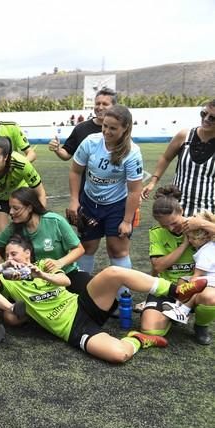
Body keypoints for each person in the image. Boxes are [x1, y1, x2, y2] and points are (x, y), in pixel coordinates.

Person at [0, 235, 208, 363]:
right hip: (71, 327)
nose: (11, 258)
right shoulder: (9, 280)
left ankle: (175, 291)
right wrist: (2, 266)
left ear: (27, 253)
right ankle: (139, 339)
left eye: (14, 254)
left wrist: (40, 273)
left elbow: (66, 283)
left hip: (81, 304)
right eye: (7, 255)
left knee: (113, 272)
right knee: (119, 355)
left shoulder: (43, 264)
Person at [68, 106, 143, 298]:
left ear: (125, 128)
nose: (106, 132)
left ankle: (122, 298)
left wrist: (127, 221)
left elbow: (135, 191)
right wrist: (74, 200)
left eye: (113, 128)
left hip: (117, 206)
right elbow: (75, 171)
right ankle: (82, 295)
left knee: (117, 250)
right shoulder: (91, 142)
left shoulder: (132, 152)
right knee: (87, 247)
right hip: (89, 203)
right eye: (105, 126)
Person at [139, 186, 214, 345]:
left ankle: (201, 326)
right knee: (150, 329)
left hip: (196, 288)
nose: (171, 228)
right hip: (168, 288)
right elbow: (158, 266)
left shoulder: (199, 225)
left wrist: (202, 223)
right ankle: (174, 313)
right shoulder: (156, 232)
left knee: (211, 297)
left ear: (181, 211)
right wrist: (185, 244)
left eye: (173, 222)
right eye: (165, 225)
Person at [0, 187, 87, 292]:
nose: (10, 212)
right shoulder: (14, 227)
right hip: (34, 279)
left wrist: (60, 262)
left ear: (30, 208)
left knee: (91, 290)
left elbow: (79, 249)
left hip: (65, 274)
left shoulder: (55, 221)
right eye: (10, 207)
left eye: (16, 208)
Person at [142, 99, 215, 216]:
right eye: (204, 114)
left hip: (207, 211)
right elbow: (166, 158)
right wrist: (153, 182)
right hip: (176, 206)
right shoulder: (184, 136)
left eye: (212, 118)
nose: (206, 119)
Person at [159, 211, 215, 337]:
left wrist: (190, 285)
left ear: (205, 237)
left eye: (191, 238)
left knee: (194, 286)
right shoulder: (211, 245)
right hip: (211, 278)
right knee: (184, 280)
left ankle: (183, 310)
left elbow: (197, 276)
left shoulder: (205, 252)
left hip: (210, 280)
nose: (189, 241)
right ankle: (178, 306)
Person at [48, 88, 117, 161]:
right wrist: (57, 149)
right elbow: (67, 154)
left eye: (105, 104)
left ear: (114, 107)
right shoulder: (81, 128)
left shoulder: (119, 129)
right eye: (97, 104)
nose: (100, 107)